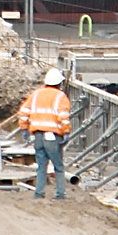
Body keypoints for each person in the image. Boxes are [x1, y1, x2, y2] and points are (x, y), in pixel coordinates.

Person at [18, 63, 76, 200]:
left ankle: (39, 193)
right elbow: (63, 116)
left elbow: (24, 112)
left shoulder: (36, 95)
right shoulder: (60, 97)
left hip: (37, 135)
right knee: (58, 166)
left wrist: (24, 128)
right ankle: (60, 193)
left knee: (41, 166)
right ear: (59, 83)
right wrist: (66, 131)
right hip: (53, 136)